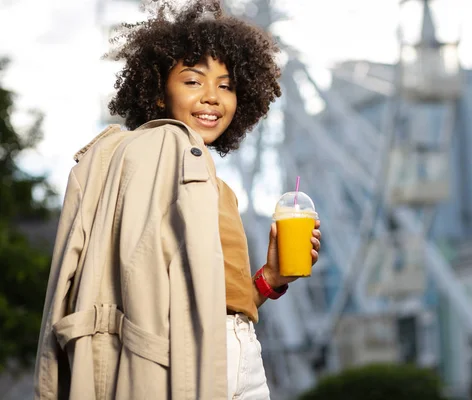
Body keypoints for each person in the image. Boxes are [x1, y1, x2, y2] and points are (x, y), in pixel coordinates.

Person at [33, 1, 321, 399]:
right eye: (192, 81)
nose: (212, 97)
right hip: (180, 352)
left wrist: (270, 278)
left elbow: (219, 300)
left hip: (241, 350)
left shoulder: (219, 188)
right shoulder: (155, 153)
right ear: (156, 93)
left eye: (226, 85)